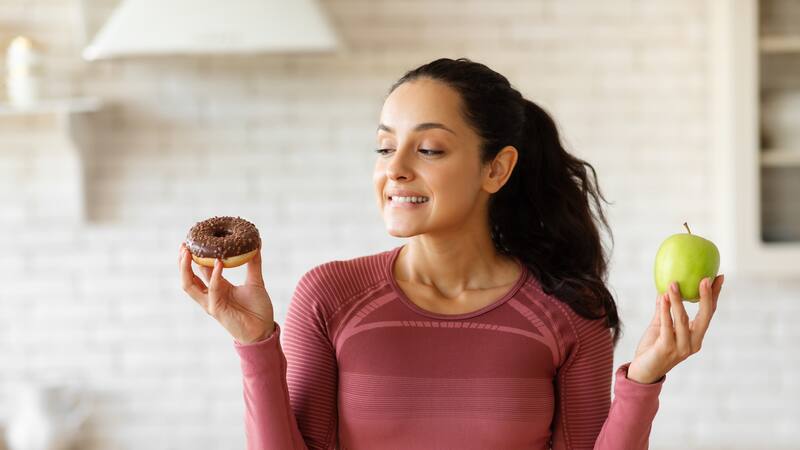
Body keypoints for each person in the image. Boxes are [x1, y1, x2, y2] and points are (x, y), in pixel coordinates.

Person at [178, 57, 724, 450]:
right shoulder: (331, 295)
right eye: (386, 146)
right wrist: (255, 345)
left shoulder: (568, 309)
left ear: (497, 169)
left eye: (430, 148)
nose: (395, 167)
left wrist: (645, 380)